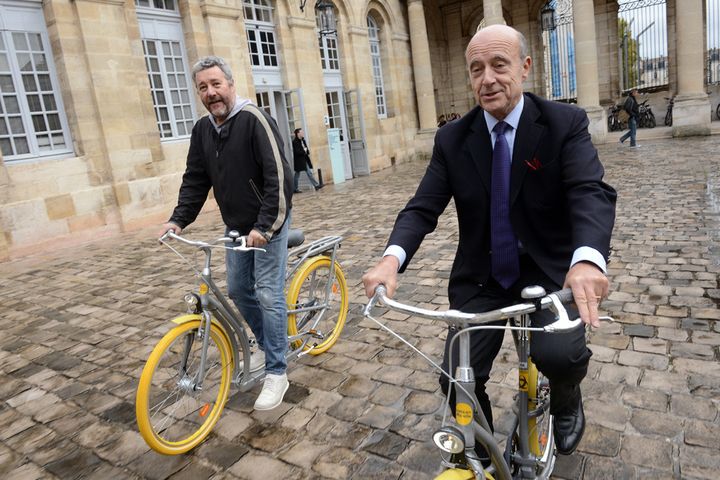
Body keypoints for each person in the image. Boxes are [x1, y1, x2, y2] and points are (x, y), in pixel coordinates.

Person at [362, 25, 616, 458]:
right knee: (455, 378)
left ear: (525, 67)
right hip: (482, 279)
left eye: (499, 65)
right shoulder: (452, 139)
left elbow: (589, 191)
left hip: (550, 274)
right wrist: (391, 260)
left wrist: (587, 260)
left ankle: (568, 400)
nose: (488, 79)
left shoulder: (563, 124)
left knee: (559, 356)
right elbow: (422, 207)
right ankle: (482, 450)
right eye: (477, 69)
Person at [158, 56, 294, 411]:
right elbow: (195, 179)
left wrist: (264, 226)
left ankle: (278, 371)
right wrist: (178, 220)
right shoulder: (203, 130)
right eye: (203, 87)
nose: (211, 92)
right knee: (236, 288)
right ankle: (269, 345)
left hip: (268, 222)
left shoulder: (254, 120)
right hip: (236, 226)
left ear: (231, 85)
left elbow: (279, 178)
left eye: (216, 84)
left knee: (267, 292)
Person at [292, 128, 323, 193]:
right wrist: (304, 151)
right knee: (298, 174)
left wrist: (307, 151)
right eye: (301, 132)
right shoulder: (295, 142)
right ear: (298, 133)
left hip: (304, 159)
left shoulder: (303, 140)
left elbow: (306, 149)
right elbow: (297, 152)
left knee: (306, 173)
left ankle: (316, 185)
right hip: (299, 161)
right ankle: (295, 188)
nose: (302, 133)